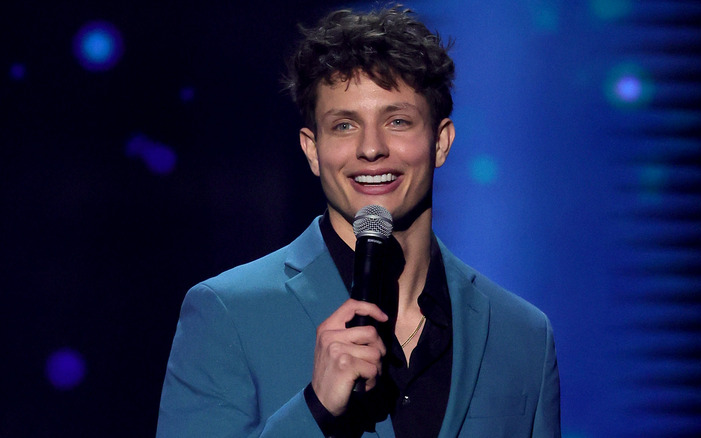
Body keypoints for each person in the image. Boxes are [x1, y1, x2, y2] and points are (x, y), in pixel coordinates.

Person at [157, 6, 560, 438]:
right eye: (345, 125)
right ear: (313, 150)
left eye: (398, 121)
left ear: (440, 142)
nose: (371, 148)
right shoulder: (227, 314)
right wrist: (315, 410)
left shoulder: (522, 336)